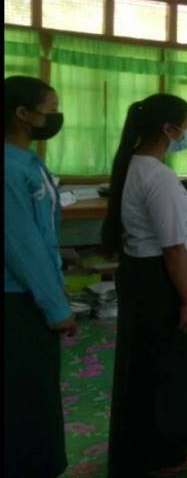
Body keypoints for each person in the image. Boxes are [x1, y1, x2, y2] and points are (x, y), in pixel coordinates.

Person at [103, 94, 187, 476]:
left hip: (138, 274)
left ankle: (143, 451)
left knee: (143, 367)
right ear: (168, 129)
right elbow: (173, 247)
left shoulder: (133, 164)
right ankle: (164, 456)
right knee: (166, 370)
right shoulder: (158, 176)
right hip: (159, 280)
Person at [4, 76, 75, 478]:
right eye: (50, 110)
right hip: (17, 300)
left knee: (37, 391)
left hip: (32, 294)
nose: (55, 118)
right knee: (26, 396)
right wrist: (56, 307)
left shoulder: (27, 161)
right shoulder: (8, 167)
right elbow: (22, 247)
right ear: (23, 114)